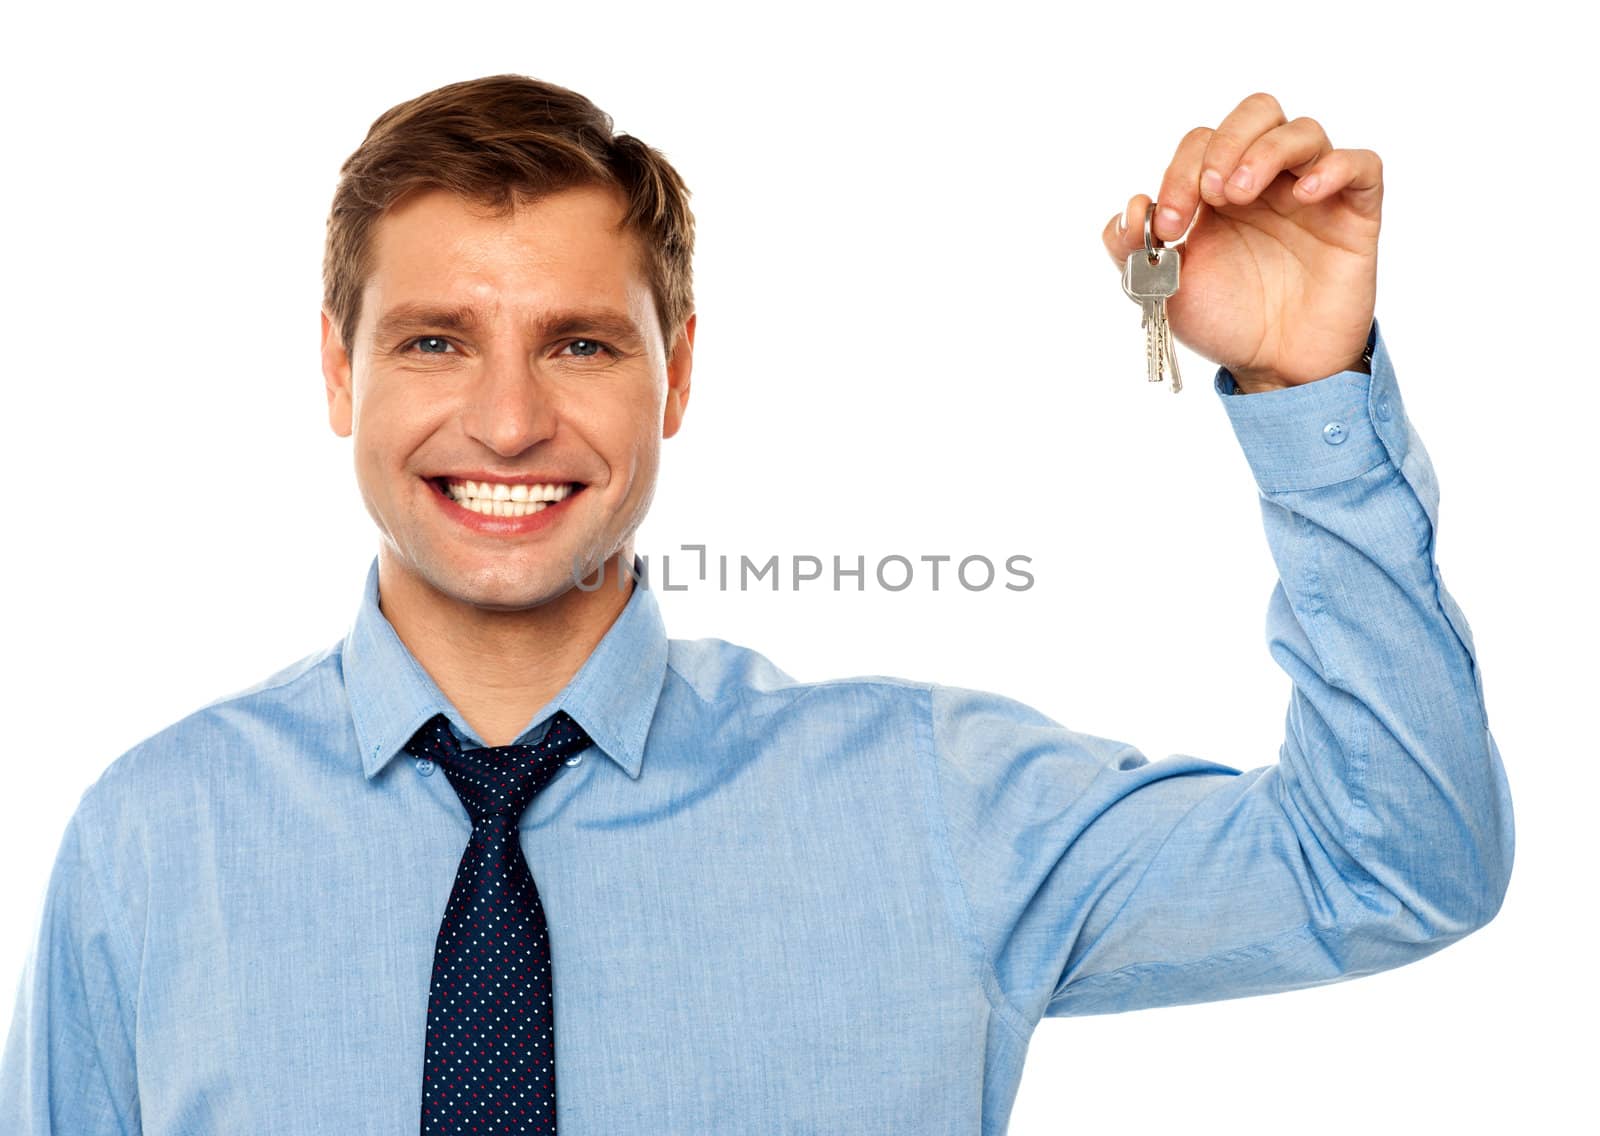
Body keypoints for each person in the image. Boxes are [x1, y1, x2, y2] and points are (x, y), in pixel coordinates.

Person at [0, 75, 1513, 1134]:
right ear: (339, 371)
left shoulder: (933, 808)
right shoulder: (151, 845)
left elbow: (1392, 868)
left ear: (682, 372)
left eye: (584, 345)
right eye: (438, 343)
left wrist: (1308, 393)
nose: (511, 422)